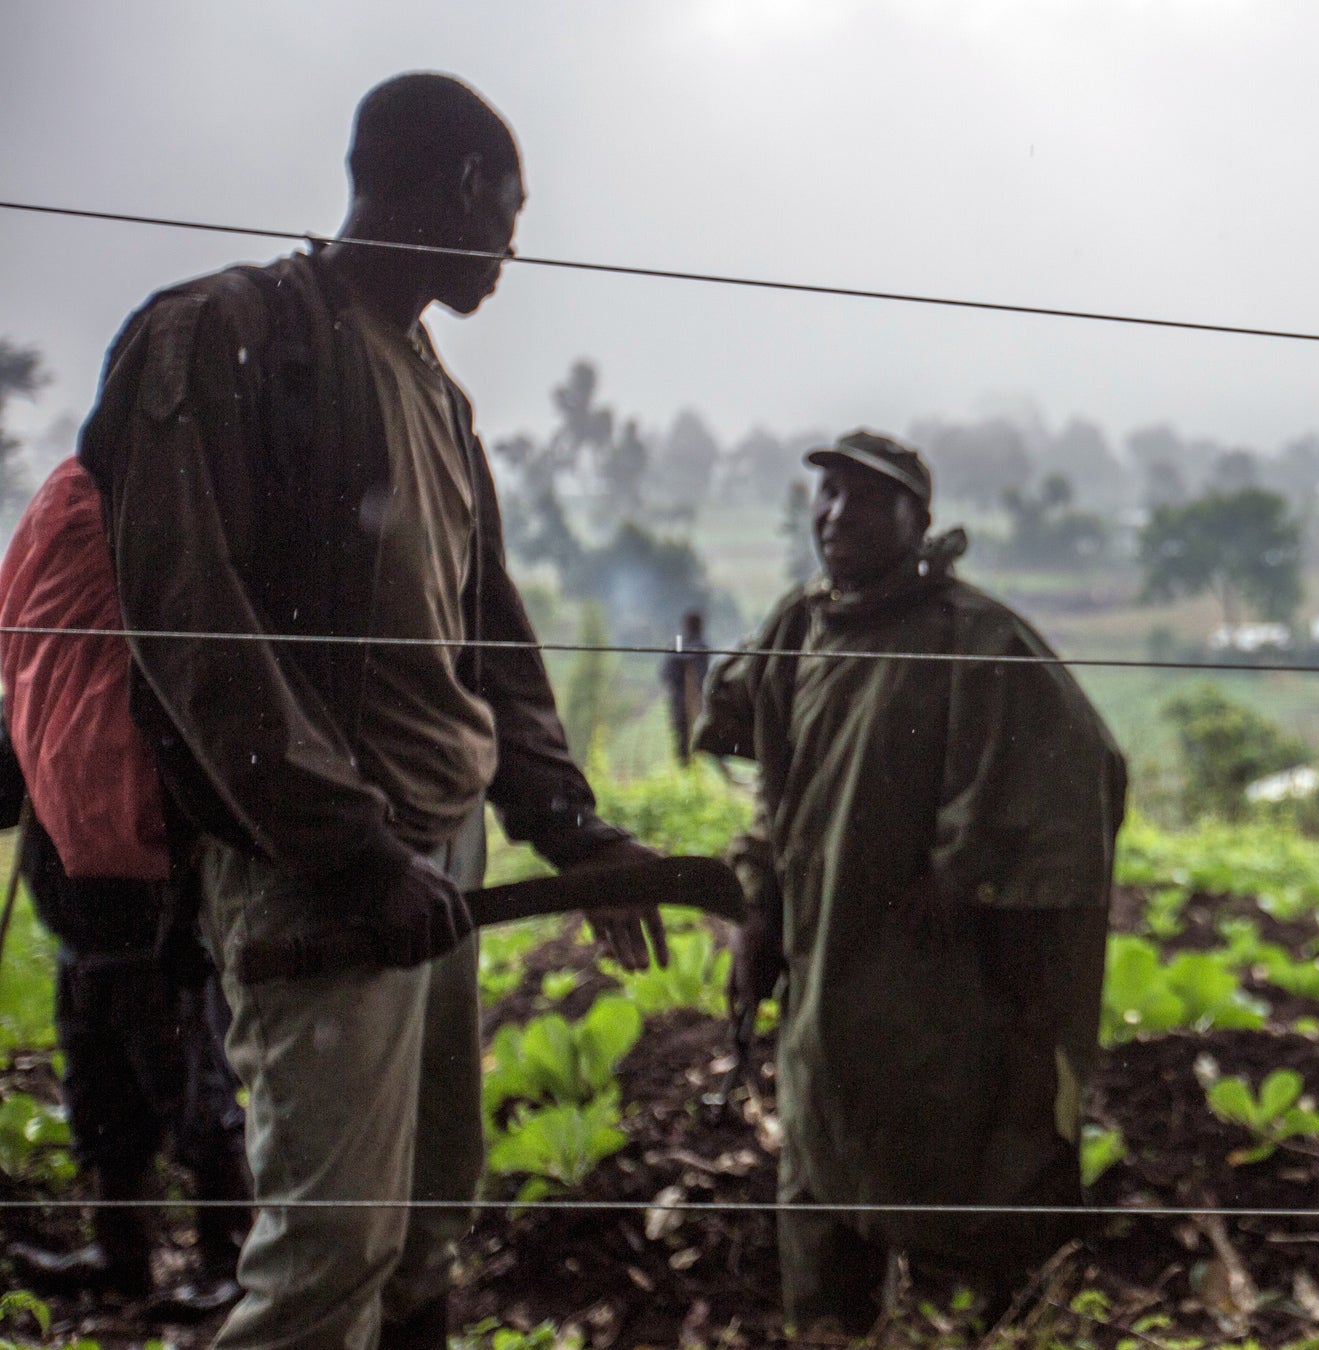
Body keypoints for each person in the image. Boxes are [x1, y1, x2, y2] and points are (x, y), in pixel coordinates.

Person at [75, 73, 667, 1350]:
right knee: (332, 1248)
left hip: (440, 855)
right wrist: (349, 848)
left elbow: (491, 639)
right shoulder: (230, 336)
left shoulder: (436, 393)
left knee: (421, 1231)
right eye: (509, 210)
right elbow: (194, 626)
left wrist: (574, 830)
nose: (514, 244)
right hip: (321, 870)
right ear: (457, 186)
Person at [695, 430, 1126, 1336]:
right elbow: (777, 792)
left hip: (929, 988)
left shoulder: (975, 638)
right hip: (822, 977)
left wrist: (962, 869)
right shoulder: (800, 627)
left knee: (945, 1190)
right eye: (828, 495)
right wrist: (757, 909)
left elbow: (1078, 770)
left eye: (866, 498)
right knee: (818, 1185)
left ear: (916, 520)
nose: (838, 516)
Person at [0, 458, 250, 1318]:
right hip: (79, 920)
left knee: (193, 1089)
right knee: (101, 1093)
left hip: (159, 914)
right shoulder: (48, 670)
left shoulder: (152, 634)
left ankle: (228, 1260)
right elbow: (13, 776)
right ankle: (120, 1254)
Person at [660, 609, 710, 766]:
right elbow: (668, 671)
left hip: (694, 697)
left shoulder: (699, 644)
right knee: (682, 733)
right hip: (680, 697)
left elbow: (699, 670)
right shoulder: (681, 642)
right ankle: (685, 765)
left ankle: (692, 765)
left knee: (696, 732)